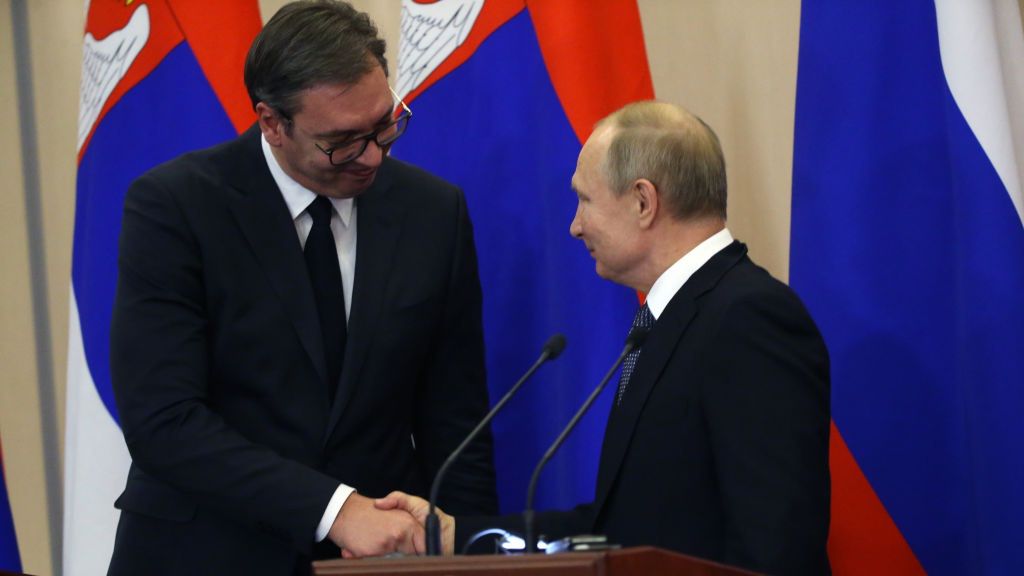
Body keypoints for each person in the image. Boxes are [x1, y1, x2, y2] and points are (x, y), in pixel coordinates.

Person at [107, 1, 497, 574]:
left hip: (379, 562)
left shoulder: (433, 212)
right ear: (272, 123)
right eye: (342, 141)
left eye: (384, 125)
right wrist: (335, 510)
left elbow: (457, 426)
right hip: (208, 553)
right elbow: (164, 421)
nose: (372, 156)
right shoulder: (176, 208)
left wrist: (470, 557)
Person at [375, 101, 831, 574]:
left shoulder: (749, 319)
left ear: (643, 202)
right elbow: (620, 529)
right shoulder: (671, 320)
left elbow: (776, 545)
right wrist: (453, 536)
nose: (575, 226)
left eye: (585, 200)